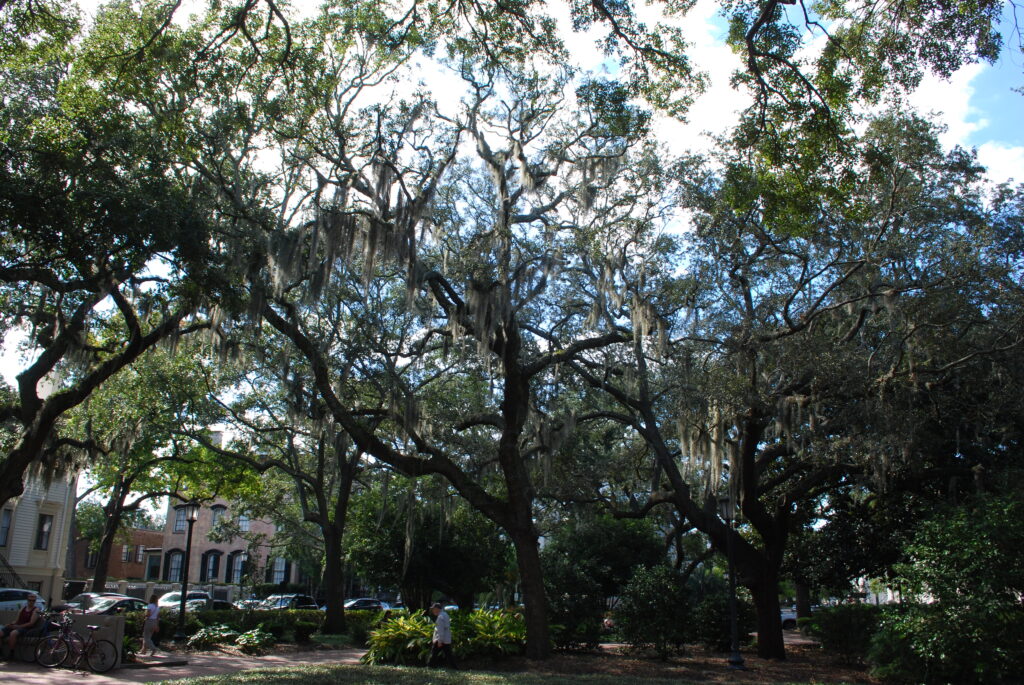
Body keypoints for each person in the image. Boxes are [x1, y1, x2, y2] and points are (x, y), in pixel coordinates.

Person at [1, 594, 42, 659]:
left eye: (33, 601)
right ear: (27, 600)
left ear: (35, 601)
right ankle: (1, 652)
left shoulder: (36, 610)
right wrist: (11, 624)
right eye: (30, 600)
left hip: (26, 628)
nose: (31, 602)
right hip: (18, 625)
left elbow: (31, 623)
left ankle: (11, 653)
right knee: (1, 632)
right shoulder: (23, 608)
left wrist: (18, 627)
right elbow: (17, 620)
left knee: (13, 633)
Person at [427, 602, 456, 669]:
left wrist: (440, 641)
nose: (433, 611)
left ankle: (430, 666)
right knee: (449, 655)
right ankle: (454, 668)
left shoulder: (440, 617)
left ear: (437, 609)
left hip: (440, 639)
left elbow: (440, 630)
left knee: (434, 654)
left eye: (434, 609)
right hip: (446, 639)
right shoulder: (445, 615)